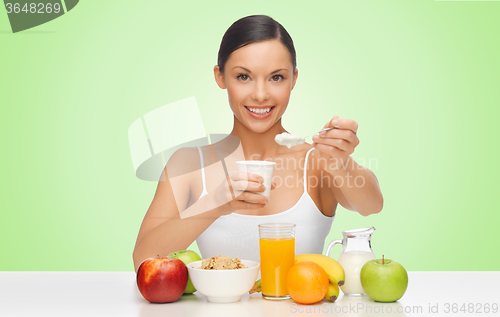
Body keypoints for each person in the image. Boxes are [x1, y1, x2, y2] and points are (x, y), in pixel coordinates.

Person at [132, 15, 383, 272]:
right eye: (243, 77)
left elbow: (371, 205)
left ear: (294, 79)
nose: (261, 95)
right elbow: (144, 257)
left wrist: (340, 160)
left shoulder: (318, 161)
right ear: (220, 77)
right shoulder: (189, 164)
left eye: (276, 77)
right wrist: (216, 203)